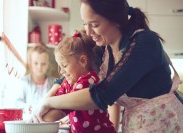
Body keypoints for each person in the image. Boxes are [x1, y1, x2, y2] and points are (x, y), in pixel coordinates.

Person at [34, 0, 183, 132]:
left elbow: (103, 94)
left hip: (166, 123)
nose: (88, 31)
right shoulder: (103, 49)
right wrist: (44, 103)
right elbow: (68, 76)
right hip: (137, 124)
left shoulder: (144, 42)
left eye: (95, 25)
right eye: (85, 24)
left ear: (116, 20)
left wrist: (49, 102)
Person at [35, 31, 116, 133]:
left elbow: (52, 116)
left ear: (82, 61)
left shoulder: (87, 82)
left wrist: (44, 107)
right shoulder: (68, 83)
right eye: (59, 66)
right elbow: (55, 99)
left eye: (64, 65)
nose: (61, 71)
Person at [15, 44, 55, 115]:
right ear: (30, 63)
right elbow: (17, 102)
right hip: (29, 120)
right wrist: (27, 107)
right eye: (36, 63)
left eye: (43, 64)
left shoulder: (54, 82)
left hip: (48, 120)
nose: (39, 67)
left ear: (48, 64)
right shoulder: (24, 81)